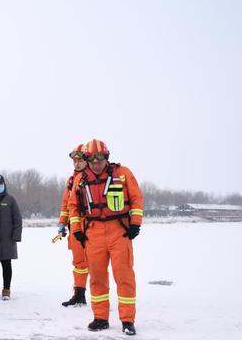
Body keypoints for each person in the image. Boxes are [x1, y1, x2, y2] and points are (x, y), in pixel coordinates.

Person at [68, 140, 144, 336]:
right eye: (91, 159)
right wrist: (77, 230)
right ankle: (100, 317)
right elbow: (73, 206)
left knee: (124, 276)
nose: (96, 163)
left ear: (106, 157)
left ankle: (127, 320)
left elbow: (136, 198)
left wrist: (135, 223)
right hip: (93, 234)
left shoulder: (123, 174)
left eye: (99, 158)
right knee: (97, 278)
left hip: (119, 232)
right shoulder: (80, 180)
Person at [59, 144, 89, 307]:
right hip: (75, 228)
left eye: (80, 160)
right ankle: (79, 294)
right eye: (74, 161)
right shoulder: (71, 181)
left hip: (92, 227)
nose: (76, 164)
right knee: (79, 263)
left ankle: (100, 297)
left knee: (96, 264)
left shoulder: (93, 178)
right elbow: (66, 203)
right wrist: (62, 223)